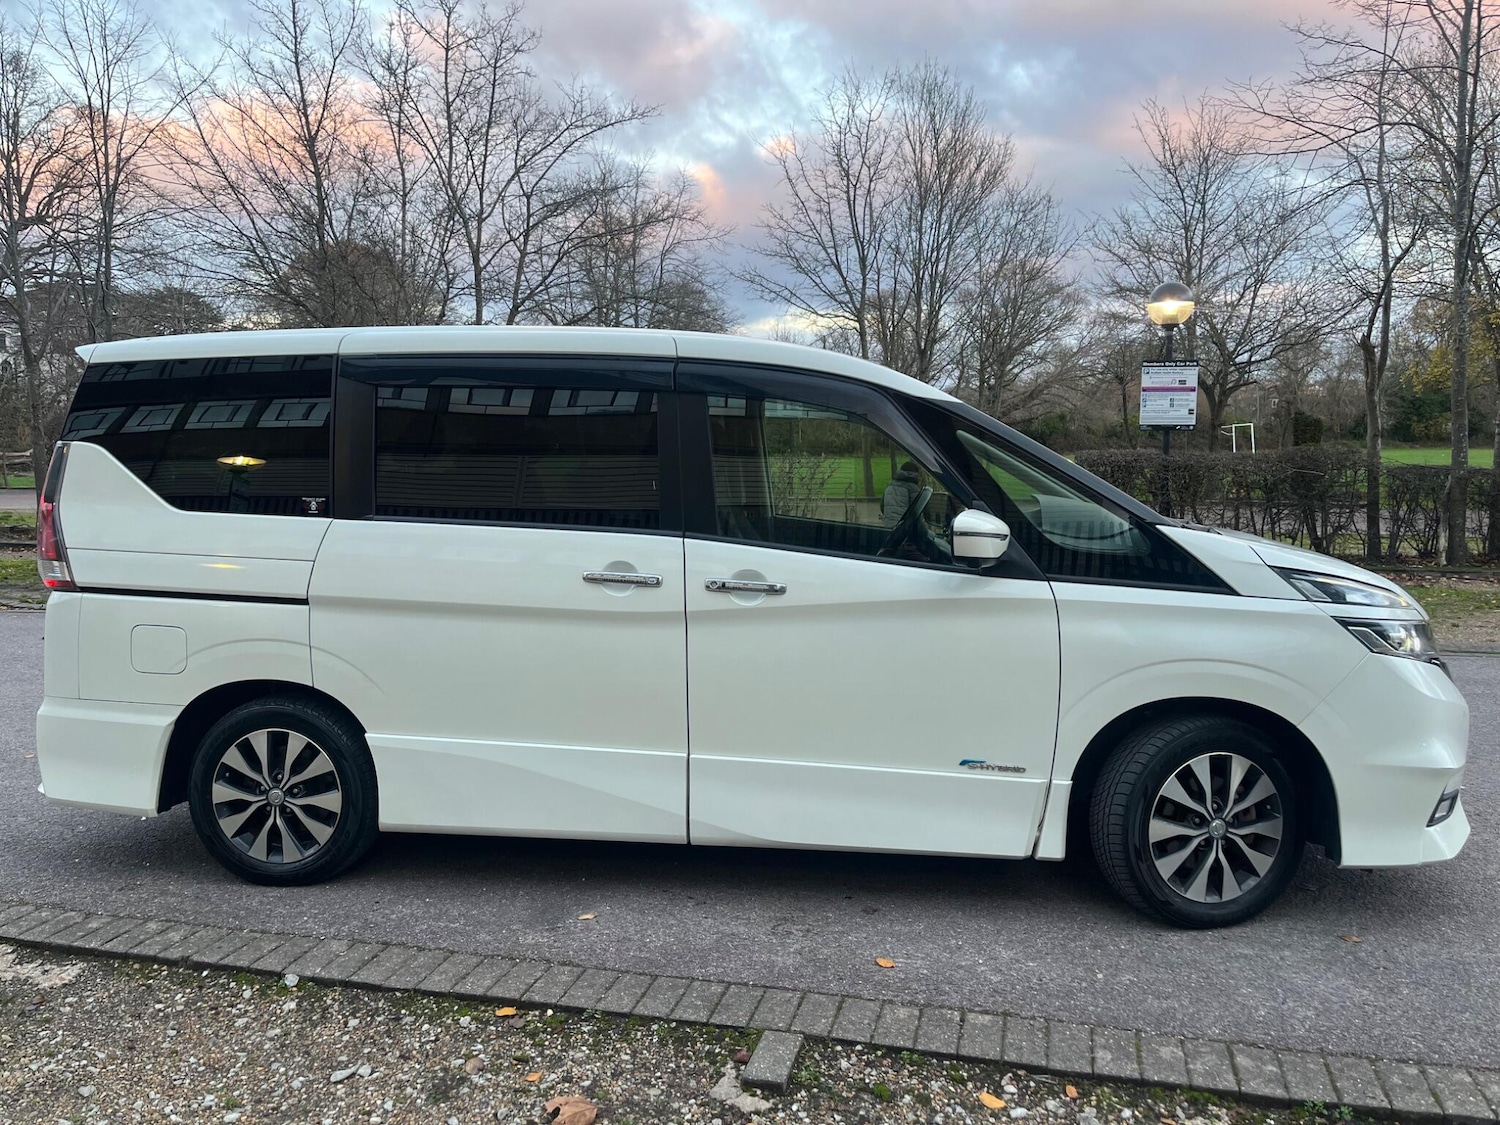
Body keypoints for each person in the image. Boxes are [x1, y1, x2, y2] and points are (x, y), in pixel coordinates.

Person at [881, 461, 922, 527]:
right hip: (904, 527)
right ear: (915, 473)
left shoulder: (889, 485)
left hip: (888, 525)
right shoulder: (913, 488)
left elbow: (882, 506)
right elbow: (917, 510)